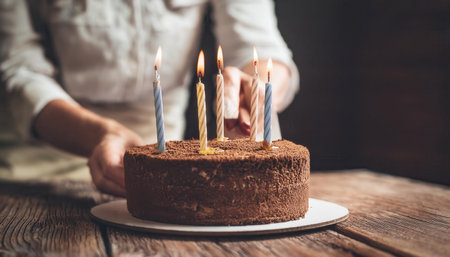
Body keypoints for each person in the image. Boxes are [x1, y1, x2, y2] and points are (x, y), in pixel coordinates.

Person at [0, 0, 299, 196]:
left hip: (164, 171)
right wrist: (102, 134)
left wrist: (253, 91)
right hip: (35, 168)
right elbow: (19, 69)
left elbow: (257, 45)